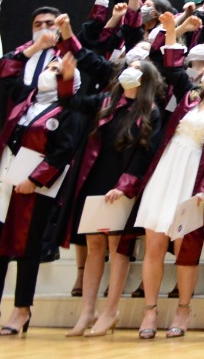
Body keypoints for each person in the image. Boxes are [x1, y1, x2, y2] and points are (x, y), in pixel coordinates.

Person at [0, 39, 84, 338]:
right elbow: (6, 71)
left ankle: (22, 308)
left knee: (27, 246)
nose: (50, 69)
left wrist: (34, 179)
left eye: (57, 68)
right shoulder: (24, 99)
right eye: (48, 65)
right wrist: (31, 49)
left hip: (35, 188)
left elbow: (64, 151)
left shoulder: (68, 110)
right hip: (5, 180)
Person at [132, 13, 204, 340]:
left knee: (185, 246)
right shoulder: (188, 97)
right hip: (167, 168)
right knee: (154, 241)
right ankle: (150, 311)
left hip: (194, 176)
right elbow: (172, 67)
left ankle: (183, 308)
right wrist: (170, 31)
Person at [60, 50, 165, 337]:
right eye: (126, 68)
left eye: (135, 68)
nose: (128, 72)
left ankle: (111, 310)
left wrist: (125, 185)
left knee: (117, 248)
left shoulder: (150, 111)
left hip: (122, 185)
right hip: (95, 178)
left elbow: (147, 152)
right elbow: (71, 102)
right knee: (94, 245)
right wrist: (68, 79)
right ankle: (88, 310)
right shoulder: (105, 102)